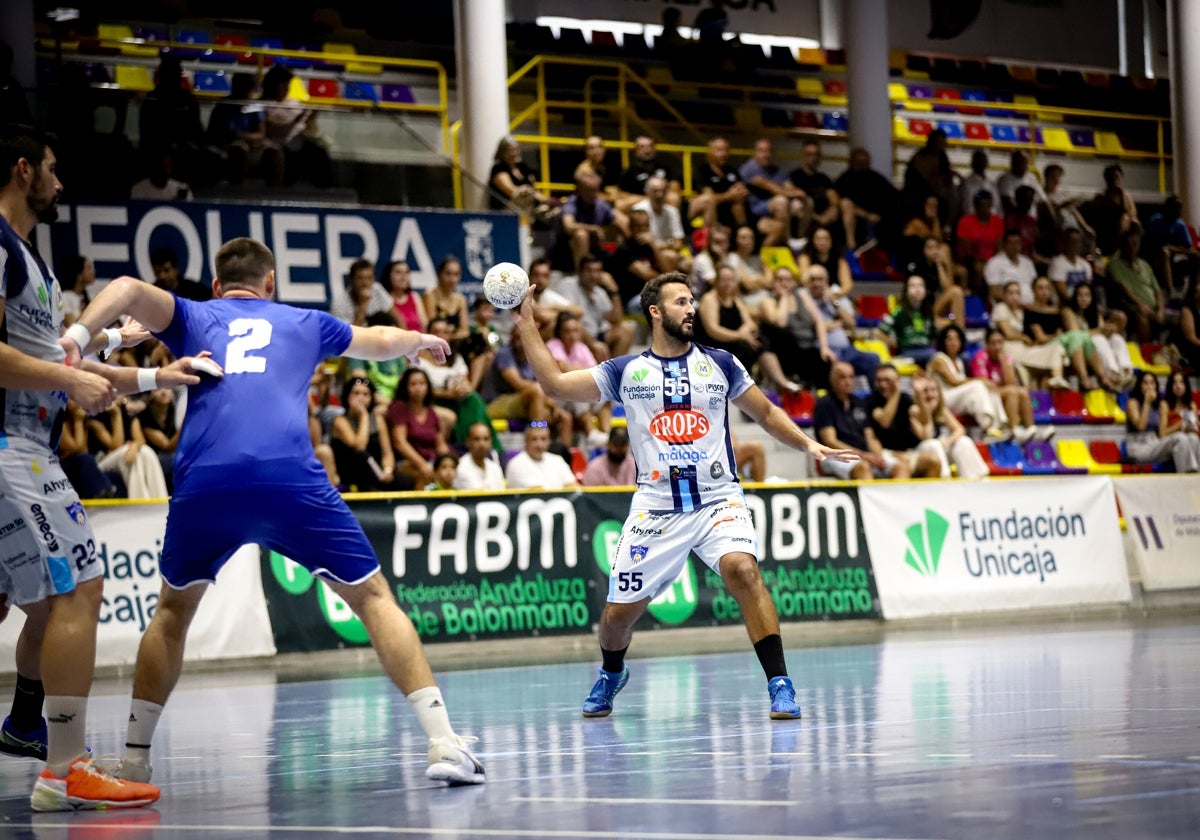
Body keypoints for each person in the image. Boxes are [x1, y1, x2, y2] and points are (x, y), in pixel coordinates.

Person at [63, 236, 485, 788]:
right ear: (271, 283)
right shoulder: (303, 321)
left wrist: (77, 338)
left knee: (170, 615)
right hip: (288, 475)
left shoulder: (195, 313)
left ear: (218, 285)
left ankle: (137, 759)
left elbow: (121, 288)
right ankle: (441, 740)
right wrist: (421, 340)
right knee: (374, 598)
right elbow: (379, 339)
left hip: (207, 477)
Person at [512, 271, 857, 719]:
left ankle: (780, 684)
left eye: (692, 301)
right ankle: (612, 671)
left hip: (718, 498)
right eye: (680, 302)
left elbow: (768, 413)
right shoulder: (625, 371)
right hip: (656, 507)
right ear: (655, 312)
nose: (691, 308)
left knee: (743, 572)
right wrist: (527, 325)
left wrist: (807, 443)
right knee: (617, 619)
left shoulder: (722, 363)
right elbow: (555, 386)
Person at [1, 124, 206, 810]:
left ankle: (30, 728)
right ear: (23, 169)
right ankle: (64, 769)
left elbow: (60, 362)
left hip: (24, 446)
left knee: (26, 601)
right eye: (52, 170)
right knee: (82, 585)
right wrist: (74, 384)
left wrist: (154, 380)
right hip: (13, 451)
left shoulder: (28, 256)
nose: (60, 183)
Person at [927, 324, 1023, 442]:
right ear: (943, 341)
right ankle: (988, 428)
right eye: (949, 339)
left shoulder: (959, 361)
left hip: (956, 398)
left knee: (988, 387)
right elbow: (953, 382)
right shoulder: (938, 359)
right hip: (942, 400)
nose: (953, 342)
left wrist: (985, 382)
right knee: (978, 386)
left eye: (956, 339)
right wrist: (981, 380)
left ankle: (1000, 427)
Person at [814, 361, 907, 481]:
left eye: (851, 377)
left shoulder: (859, 402)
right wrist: (861, 455)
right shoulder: (824, 404)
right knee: (863, 467)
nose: (847, 381)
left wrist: (878, 455)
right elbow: (830, 441)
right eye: (842, 377)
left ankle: (892, 499)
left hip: (863, 454)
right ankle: (870, 499)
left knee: (901, 467)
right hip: (835, 456)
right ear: (832, 379)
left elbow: (870, 436)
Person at [866, 365, 946, 478]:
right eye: (879, 380)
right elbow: (884, 420)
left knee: (932, 460)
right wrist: (895, 393)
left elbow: (923, 419)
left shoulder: (904, 399)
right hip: (884, 453)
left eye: (887, 380)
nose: (883, 385)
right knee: (902, 467)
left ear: (897, 380)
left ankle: (941, 489)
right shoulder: (872, 400)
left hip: (907, 452)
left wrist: (919, 393)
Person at [969, 328, 1047, 440]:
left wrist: (1003, 363)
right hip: (986, 396)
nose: (997, 347)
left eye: (1000, 342)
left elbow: (1010, 382)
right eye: (993, 343)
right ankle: (1013, 429)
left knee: (1022, 392)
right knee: (1012, 392)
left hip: (1002, 392)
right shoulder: (980, 357)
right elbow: (986, 384)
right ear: (986, 345)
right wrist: (1005, 388)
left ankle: (1031, 429)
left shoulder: (1006, 359)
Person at [330, 375, 401, 492]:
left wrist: (387, 470)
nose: (361, 398)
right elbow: (360, 447)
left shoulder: (378, 420)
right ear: (347, 396)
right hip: (351, 473)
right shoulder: (340, 421)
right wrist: (364, 416)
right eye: (356, 393)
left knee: (404, 481)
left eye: (365, 394)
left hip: (377, 471)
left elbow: (387, 453)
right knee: (361, 456)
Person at [911, 377, 991, 479]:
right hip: (920, 455)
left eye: (933, 390)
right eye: (925, 391)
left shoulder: (942, 410)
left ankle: (976, 479)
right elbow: (927, 436)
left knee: (963, 441)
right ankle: (945, 480)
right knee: (933, 444)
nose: (930, 394)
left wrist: (947, 441)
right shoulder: (914, 411)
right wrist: (927, 410)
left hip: (940, 450)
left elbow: (960, 429)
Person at [1125, 371, 1200, 472]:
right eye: (1145, 383)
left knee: (1193, 438)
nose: (1149, 387)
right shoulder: (1133, 403)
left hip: (1154, 442)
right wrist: (1147, 403)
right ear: (1139, 385)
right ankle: (1187, 476)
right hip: (1139, 446)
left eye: (1152, 383)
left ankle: (1196, 476)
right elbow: (1141, 426)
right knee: (1179, 438)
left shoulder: (1158, 404)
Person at [1106, 227, 1166, 343]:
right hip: (1131, 305)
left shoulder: (1145, 264)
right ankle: (1146, 351)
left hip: (1154, 307)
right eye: (1130, 244)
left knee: (1181, 316)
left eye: (1136, 243)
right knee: (1141, 316)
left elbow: (1157, 290)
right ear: (1123, 246)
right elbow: (1124, 289)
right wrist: (1142, 305)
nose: (1133, 247)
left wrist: (1161, 309)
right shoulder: (1115, 265)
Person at [876, 274, 938, 367]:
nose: (918, 289)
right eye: (913, 286)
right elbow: (879, 332)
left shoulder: (929, 312)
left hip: (927, 348)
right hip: (908, 351)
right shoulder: (898, 311)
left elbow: (934, 336)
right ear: (905, 291)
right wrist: (893, 343)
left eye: (921, 285)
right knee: (937, 357)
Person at [504, 421, 579, 490]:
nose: (539, 445)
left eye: (543, 439)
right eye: (534, 439)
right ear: (526, 441)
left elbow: (573, 487)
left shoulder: (557, 460)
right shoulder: (516, 464)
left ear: (549, 441)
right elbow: (539, 492)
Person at [331, 257, 400, 327]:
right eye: (360, 278)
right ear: (351, 280)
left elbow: (398, 320)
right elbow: (351, 336)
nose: (365, 283)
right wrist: (363, 304)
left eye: (369, 278)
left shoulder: (377, 289)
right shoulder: (340, 303)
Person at [422, 256, 470, 341]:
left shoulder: (460, 299)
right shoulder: (430, 296)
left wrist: (449, 336)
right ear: (439, 274)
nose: (452, 279)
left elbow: (465, 331)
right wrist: (450, 333)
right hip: (433, 344)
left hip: (455, 345)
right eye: (448, 274)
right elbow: (433, 330)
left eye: (456, 274)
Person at [453, 421, 506, 491]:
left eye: (486, 439)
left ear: (491, 442)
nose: (482, 444)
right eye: (476, 439)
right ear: (468, 442)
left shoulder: (495, 468)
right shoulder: (460, 467)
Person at [383, 260, 427, 332]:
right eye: (398, 272)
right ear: (388, 276)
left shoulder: (414, 296)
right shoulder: (384, 299)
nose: (403, 277)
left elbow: (425, 326)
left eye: (406, 272)